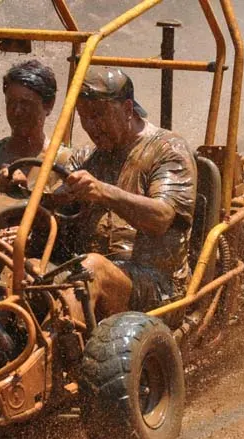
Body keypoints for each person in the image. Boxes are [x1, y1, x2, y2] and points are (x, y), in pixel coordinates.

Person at [59, 66, 198, 320]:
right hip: (90, 272)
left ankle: (53, 344)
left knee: (92, 270)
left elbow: (161, 218)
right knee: (26, 267)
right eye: (84, 117)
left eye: (98, 115)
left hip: (158, 287)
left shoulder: (168, 150)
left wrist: (103, 191)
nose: (91, 126)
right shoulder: (86, 157)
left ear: (127, 109)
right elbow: (54, 200)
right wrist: (20, 190)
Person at [0, 59, 68, 193]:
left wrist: (22, 192)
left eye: (26, 103)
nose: (17, 111)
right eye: (11, 103)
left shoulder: (64, 162)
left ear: (49, 105)